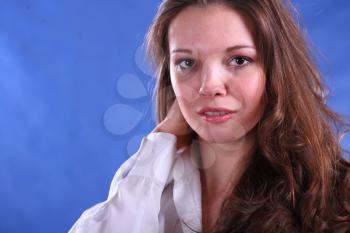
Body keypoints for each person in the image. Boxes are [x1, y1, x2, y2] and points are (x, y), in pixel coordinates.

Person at [69, 0, 350, 232]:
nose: (209, 86)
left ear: (275, 71)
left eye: (239, 60)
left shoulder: (334, 194)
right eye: (187, 63)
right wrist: (161, 141)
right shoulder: (149, 182)